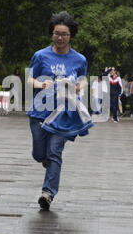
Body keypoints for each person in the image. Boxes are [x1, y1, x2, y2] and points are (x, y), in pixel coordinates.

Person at [27, 11, 90, 211]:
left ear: (71, 36)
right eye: (56, 33)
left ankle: (48, 193)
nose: (60, 37)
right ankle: (44, 160)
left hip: (63, 114)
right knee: (39, 154)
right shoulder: (40, 55)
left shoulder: (79, 59)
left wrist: (79, 87)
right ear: (52, 34)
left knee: (55, 152)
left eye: (64, 34)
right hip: (39, 111)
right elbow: (30, 78)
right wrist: (39, 83)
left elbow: (83, 79)